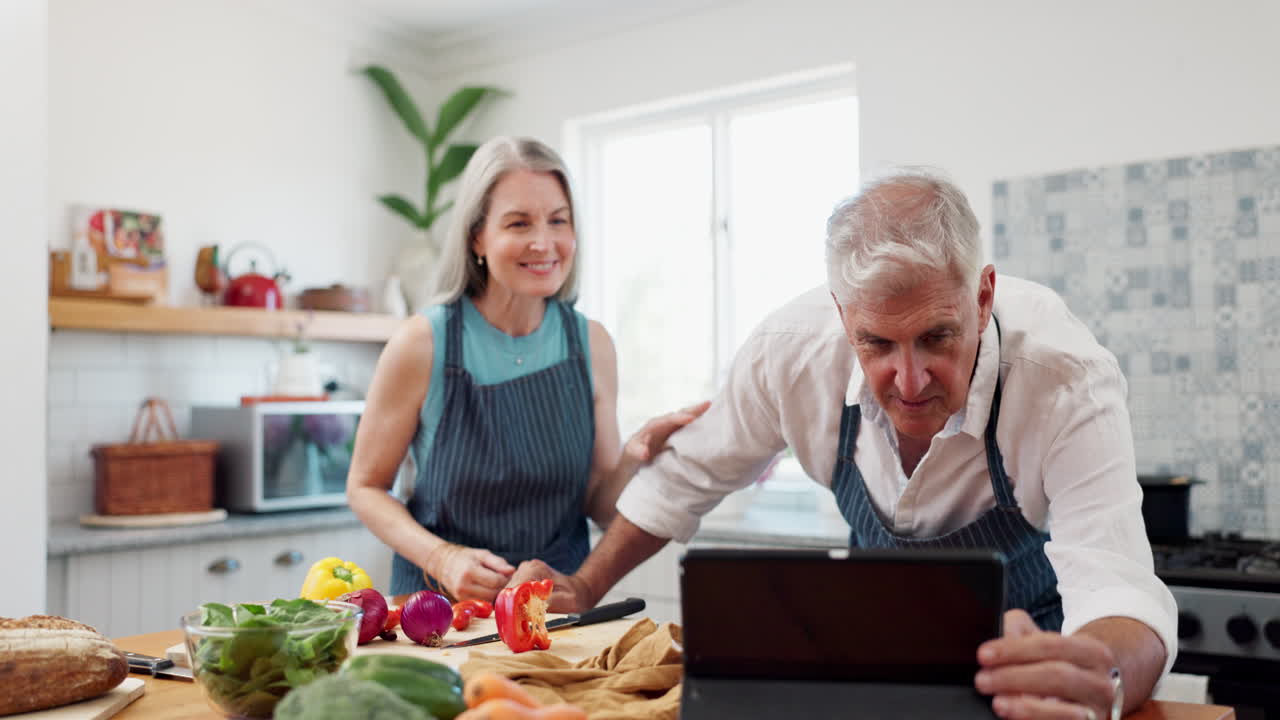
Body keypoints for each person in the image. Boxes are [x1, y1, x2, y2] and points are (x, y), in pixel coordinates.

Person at [507, 169, 1177, 719]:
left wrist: (1101, 681)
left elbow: (1119, 589)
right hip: (871, 666)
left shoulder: (1065, 378)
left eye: (937, 337)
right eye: (877, 343)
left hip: (1028, 679)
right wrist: (585, 584)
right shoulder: (791, 353)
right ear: (841, 315)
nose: (909, 382)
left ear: (982, 297)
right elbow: (681, 481)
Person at [347, 136, 707, 605]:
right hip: (439, 612)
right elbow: (365, 487)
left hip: (552, 612)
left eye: (558, 220)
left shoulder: (591, 344)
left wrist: (634, 456)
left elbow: (599, 507)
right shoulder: (422, 343)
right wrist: (442, 558)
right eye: (518, 223)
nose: (543, 243)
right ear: (477, 237)